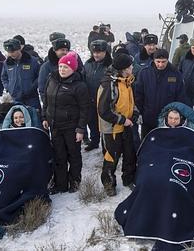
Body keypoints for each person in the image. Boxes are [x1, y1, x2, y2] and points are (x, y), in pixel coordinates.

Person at [42, 52, 89, 194]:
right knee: (58, 155)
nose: (62, 70)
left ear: (73, 69)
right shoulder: (52, 79)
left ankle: (74, 181)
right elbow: (46, 100)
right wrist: (45, 117)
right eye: (61, 66)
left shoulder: (79, 86)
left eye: (66, 67)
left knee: (73, 155)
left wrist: (81, 129)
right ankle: (60, 184)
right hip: (55, 125)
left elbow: (84, 109)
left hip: (71, 127)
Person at [97, 53, 139, 196]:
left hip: (126, 125)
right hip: (112, 128)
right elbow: (104, 111)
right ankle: (109, 184)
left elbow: (129, 101)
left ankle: (128, 179)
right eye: (130, 66)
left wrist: (134, 113)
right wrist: (122, 120)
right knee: (112, 156)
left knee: (129, 153)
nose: (132, 67)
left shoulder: (126, 81)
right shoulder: (110, 84)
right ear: (124, 69)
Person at [135, 49, 188, 139]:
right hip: (148, 116)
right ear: (154, 60)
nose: (160, 64)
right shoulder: (145, 73)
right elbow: (139, 94)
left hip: (167, 117)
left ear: (167, 60)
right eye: (158, 61)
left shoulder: (175, 74)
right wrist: (139, 112)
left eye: (163, 62)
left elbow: (180, 95)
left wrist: (178, 113)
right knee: (148, 140)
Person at [83, 40, 112, 151]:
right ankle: (94, 142)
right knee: (92, 122)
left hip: (105, 101)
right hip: (90, 99)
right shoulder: (88, 64)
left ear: (105, 52)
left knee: (106, 125)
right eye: (94, 52)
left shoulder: (110, 66)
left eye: (99, 52)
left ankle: (107, 146)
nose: (96, 55)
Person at [1, 39, 41, 109]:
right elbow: (4, 77)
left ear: (19, 49)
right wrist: (9, 87)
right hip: (15, 99)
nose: (10, 54)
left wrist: (32, 87)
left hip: (31, 98)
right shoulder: (7, 63)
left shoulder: (33, 61)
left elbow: (40, 76)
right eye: (8, 52)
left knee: (34, 118)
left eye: (13, 52)